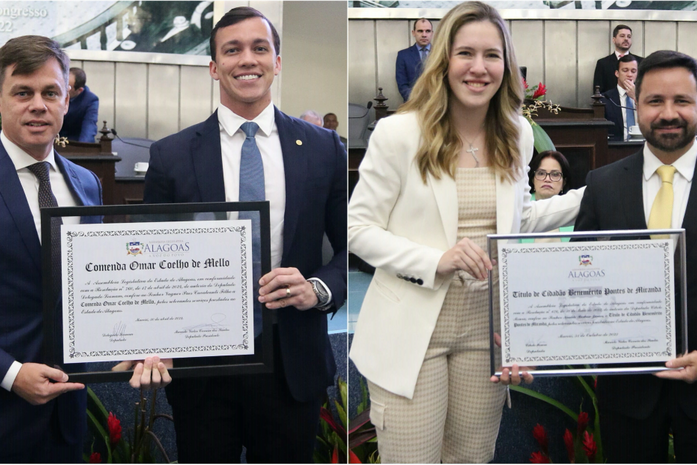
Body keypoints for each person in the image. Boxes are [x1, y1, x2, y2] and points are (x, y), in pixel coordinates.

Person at [348, 2, 583, 462]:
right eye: (465, 54)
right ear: (443, 61)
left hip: (486, 331)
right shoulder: (398, 134)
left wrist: (593, 195)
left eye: (492, 56)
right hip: (412, 333)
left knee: (472, 459)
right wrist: (437, 260)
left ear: (506, 65)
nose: (479, 68)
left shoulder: (515, 133)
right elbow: (358, 229)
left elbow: (517, 223)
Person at [143, 6, 347, 463]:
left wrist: (318, 289)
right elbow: (149, 263)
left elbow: (354, 247)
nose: (247, 60)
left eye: (260, 48)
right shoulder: (172, 156)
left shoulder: (323, 149)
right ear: (214, 66)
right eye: (232, 50)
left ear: (278, 60)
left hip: (291, 361)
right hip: (202, 368)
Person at [575, 50, 697, 463]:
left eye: (682, 100)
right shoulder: (602, 184)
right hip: (626, 394)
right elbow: (577, 281)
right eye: (655, 101)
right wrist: (531, 342)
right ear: (635, 104)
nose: (669, 113)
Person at [0, 36, 102, 462]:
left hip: (69, 412)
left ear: (66, 100)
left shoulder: (87, 184)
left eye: (50, 92)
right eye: (23, 92)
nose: (38, 105)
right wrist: (10, 373)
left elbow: (96, 290)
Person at [522, 150, 574, 243]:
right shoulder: (521, 207)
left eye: (555, 174)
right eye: (541, 173)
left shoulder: (573, 208)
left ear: (564, 182)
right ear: (533, 179)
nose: (547, 179)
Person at [593, 24, 643, 94]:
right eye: (622, 36)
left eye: (629, 36)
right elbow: (598, 93)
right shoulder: (603, 63)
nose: (626, 39)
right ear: (614, 39)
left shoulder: (641, 62)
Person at [601, 54, 639, 141]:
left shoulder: (645, 97)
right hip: (616, 148)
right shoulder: (605, 99)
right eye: (625, 70)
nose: (629, 74)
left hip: (641, 146)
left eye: (633, 71)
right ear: (617, 73)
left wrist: (636, 98)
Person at [396, 18, 433, 102]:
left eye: (427, 31)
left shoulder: (441, 54)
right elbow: (402, 85)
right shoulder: (403, 55)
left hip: (437, 106)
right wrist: (416, 100)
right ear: (414, 33)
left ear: (432, 33)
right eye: (420, 31)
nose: (424, 35)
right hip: (413, 105)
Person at [59, 67, 99, 142]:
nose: (62, 89)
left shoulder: (90, 100)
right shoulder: (55, 94)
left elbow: (89, 128)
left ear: (79, 90)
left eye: (67, 87)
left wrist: (81, 149)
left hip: (75, 144)